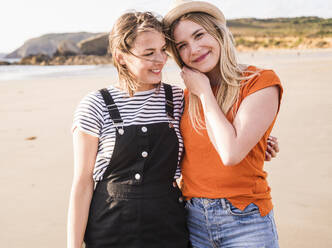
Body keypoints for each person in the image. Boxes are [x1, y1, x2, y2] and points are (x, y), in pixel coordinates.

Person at [163, 1, 283, 247]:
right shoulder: (186, 96)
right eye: (182, 46)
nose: (194, 49)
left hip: (245, 220)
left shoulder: (259, 82)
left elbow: (230, 153)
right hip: (192, 218)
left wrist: (205, 93)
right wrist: (260, 143)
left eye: (199, 35)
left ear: (218, 33)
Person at [66, 11, 190, 248]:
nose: (161, 60)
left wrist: (258, 139)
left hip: (168, 227)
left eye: (163, 50)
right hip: (109, 229)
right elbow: (82, 183)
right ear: (121, 57)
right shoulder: (95, 104)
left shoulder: (177, 98)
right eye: (149, 53)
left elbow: (207, 137)